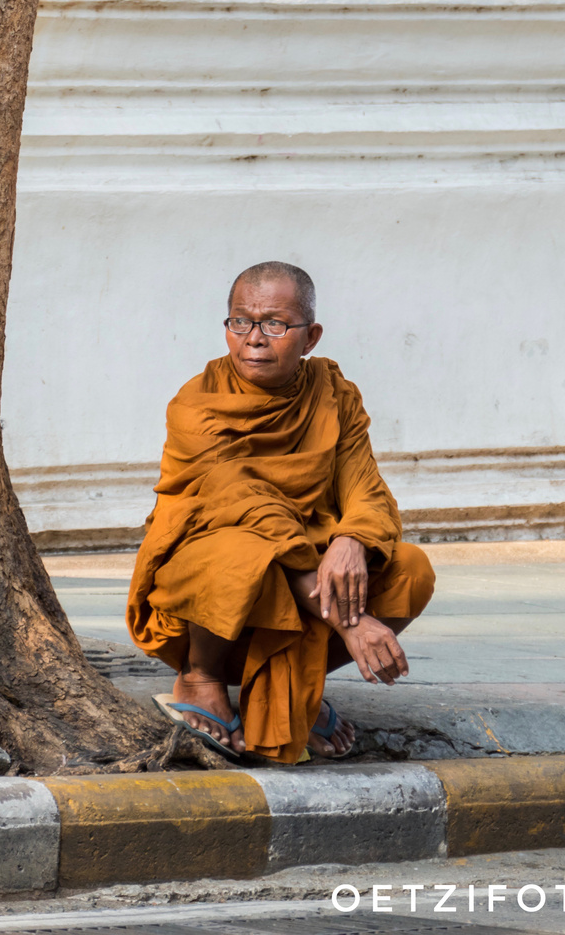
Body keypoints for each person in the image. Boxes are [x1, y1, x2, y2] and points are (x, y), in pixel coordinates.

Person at [126, 261, 435, 764]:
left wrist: (351, 540)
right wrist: (351, 622)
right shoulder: (196, 404)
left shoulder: (333, 393)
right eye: (240, 322)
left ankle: (296, 684)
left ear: (310, 337)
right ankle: (200, 680)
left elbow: (365, 486)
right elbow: (246, 506)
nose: (254, 340)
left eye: (274, 324)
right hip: (210, 605)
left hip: (308, 577)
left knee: (410, 570)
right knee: (241, 552)